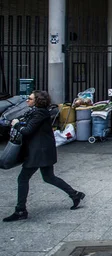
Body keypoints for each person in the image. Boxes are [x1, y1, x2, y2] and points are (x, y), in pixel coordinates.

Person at [3, 90, 85, 222]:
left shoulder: (39, 113)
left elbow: (28, 131)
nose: (27, 100)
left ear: (37, 101)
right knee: (49, 177)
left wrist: (16, 124)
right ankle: (75, 194)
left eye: (30, 99)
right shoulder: (38, 112)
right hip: (43, 150)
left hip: (38, 152)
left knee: (23, 178)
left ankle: (20, 210)